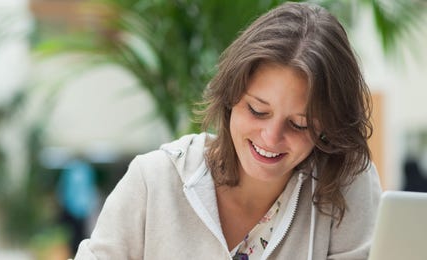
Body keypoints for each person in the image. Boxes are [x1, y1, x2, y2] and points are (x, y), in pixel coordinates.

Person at [74, 2, 382, 259]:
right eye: (257, 111)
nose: (271, 137)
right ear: (231, 97)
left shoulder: (345, 184)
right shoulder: (153, 182)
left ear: (328, 126)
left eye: (299, 124)